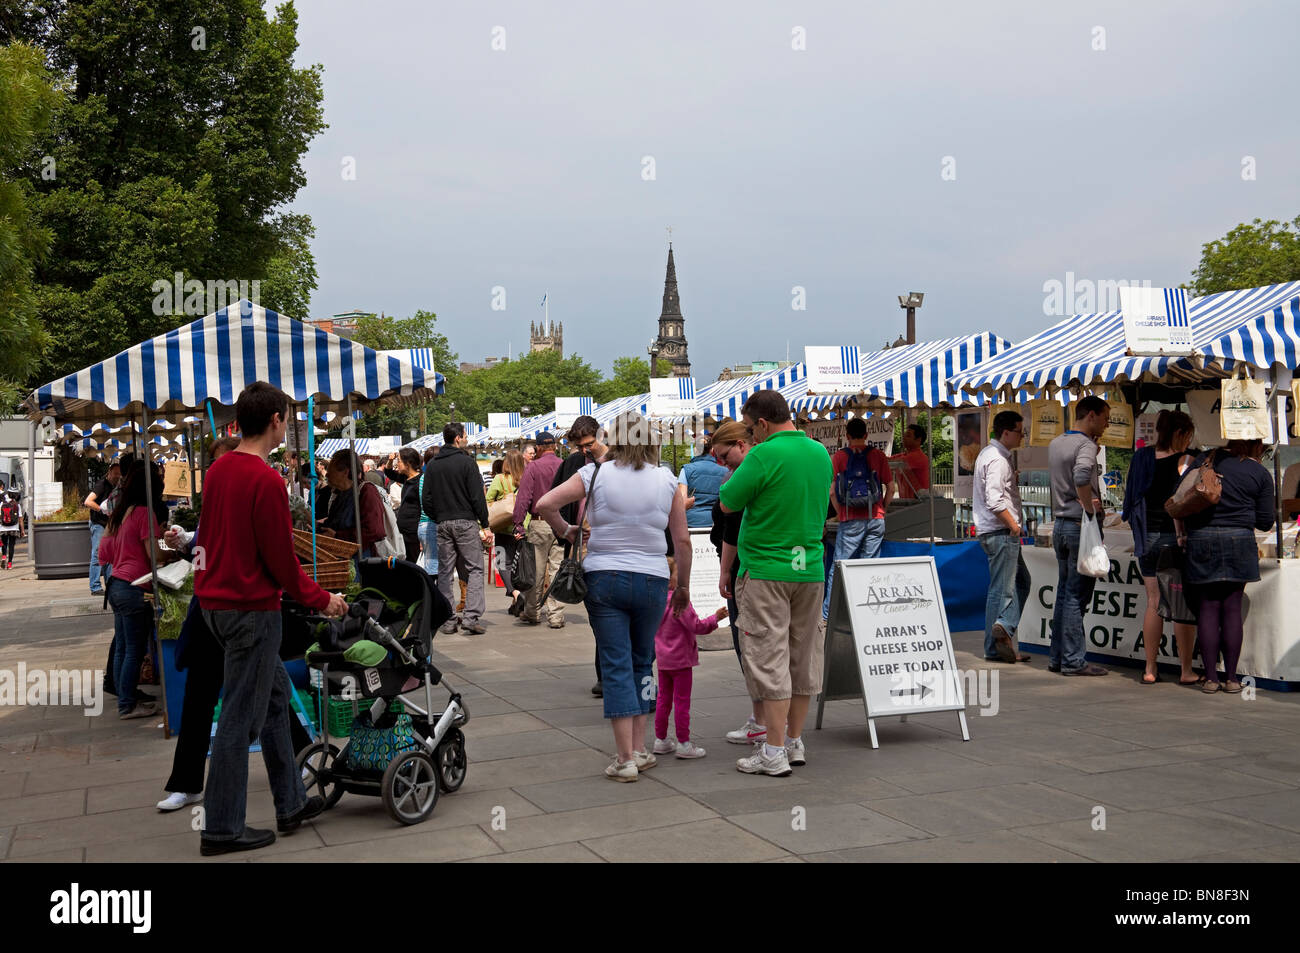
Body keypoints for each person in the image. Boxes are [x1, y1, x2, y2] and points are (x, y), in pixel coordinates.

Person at [194, 381, 347, 856]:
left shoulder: (219, 470)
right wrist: (322, 598)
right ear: (277, 420)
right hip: (251, 611)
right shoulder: (265, 480)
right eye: (288, 418)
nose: (289, 426)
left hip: (217, 605)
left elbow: (208, 538)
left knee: (276, 698)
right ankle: (221, 828)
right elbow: (281, 559)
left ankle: (290, 802)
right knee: (240, 721)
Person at [536, 411, 690, 781]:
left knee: (616, 664)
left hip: (604, 576)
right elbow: (682, 540)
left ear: (613, 437)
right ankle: (640, 748)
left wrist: (569, 530)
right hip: (652, 579)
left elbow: (544, 505)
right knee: (642, 661)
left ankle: (624, 759)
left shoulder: (594, 474)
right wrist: (682, 585)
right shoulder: (667, 480)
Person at [719, 390, 833, 777]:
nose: (750, 437)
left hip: (767, 569)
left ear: (762, 424)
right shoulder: (820, 453)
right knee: (802, 659)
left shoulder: (764, 454)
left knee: (769, 659)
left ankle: (772, 750)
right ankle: (794, 741)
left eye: (751, 429)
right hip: (810, 568)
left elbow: (728, 502)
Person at [1184, 439, 1274, 694]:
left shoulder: (1206, 460)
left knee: (1208, 607)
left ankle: (1211, 678)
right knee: (1232, 608)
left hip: (1202, 538)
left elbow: (1181, 495)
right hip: (1240, 539)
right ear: (1257, 443)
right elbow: (1266, 521)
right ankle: (1232, 678)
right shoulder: (1259, 473)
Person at [1122, 410, 1201, 686]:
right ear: (1179, 433)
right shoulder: (1185, 460)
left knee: (1153, 602)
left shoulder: (1141, 457)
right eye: (1188, 435)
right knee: (1181, 605)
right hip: (1172, 538)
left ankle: (1150, 668)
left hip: (1145, 539)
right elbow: (1182, 501)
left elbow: (1131, 498)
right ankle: (1186, 669)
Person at [97, 461, 176, 719]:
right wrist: (169, 544)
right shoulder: (144, 513)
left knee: (122, 647)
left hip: (116, 585)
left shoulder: (121, 513)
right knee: (134, 649)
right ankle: (127, 704)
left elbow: (104, 553)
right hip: (133, 588)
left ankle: (125, 697)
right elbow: (154, 556)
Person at [708, 419, 768, 745]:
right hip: (777, 567)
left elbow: (732, 529)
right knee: (763, 647)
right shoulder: (763, 470)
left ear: (740, 445)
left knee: (750, 647)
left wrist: (725, 571)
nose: (721, 462)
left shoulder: (745, 476)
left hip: (747, 568)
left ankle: (762, 722)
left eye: (723, 455)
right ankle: (768, 721)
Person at [1047, 395, 1111, 676]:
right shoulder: (1085, 444)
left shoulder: (1057, 442)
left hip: (1060, 524)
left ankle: (1058, 657)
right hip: (1078, 524)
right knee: (1075, 596)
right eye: (1106, 418)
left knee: (1063, 593)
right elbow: (1082, 476)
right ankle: (1073, 660)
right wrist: (1088, 506)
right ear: (1092, 415)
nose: (1107, 425)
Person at [551, 416, 608, 692]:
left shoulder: (615, 460)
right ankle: (605, 673)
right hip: (583, 545)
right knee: (598, 612)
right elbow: (554, 499)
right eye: (580, 445)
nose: (586, 450)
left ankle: (610, 673)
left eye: (589, 443)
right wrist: (566, 529)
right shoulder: (573, 464)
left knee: (608, 612)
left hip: (612, 543)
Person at [652, 556, 729, 759]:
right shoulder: (681, 602)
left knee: (663, 700)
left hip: (663, 660)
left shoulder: (656, 601)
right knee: (682, 702)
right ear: (671, 580)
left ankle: (660, 739)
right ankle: (684, 743)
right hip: (682, 660)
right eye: (680, 575)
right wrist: (716, 618)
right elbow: (697, 627)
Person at [973, 411, 1032, 664]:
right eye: (1020, 431)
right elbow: (994, 499)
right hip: (1000, 532)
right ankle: (1001, 632)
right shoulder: (996, 458)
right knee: (1002, 590)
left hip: (995, 531)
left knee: (1019, 582)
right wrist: (1014, 526)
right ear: (1006, 432)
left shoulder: (991, 455)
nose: (1023, 436)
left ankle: (1000, 634)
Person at [822, 416, 894, 622]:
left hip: (850, 519)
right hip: (875, 518)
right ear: (866, 435)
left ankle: (828, 615)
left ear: (847, 436)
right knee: (870, 566)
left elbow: (832, 492)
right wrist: (883, 509)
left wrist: (840, 512)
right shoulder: (878, 455)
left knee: (839, 565)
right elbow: (890, 487)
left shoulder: (839, 457)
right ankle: (867, 613)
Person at [422, 423, 491, 635]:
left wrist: (439, 517)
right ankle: (470, 617)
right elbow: (477, 497)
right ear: (459, 438)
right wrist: (485, 524)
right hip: (465, 521)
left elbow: (426, 499)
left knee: (445, 572)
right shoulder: (466, 463)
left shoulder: (433, 465)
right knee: (475, 568)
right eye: (465, 435)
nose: (467, 438)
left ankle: (449, 619)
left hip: (443, 523)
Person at [513, 431, 565, 628]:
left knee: (536, 571)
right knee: (557, 570)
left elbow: (524, 497)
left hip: (540, 522)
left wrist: (518, 522)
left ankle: (533, 612)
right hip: (561, 522)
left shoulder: (534, 467)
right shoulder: (563, 465)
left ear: (539, 448)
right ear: (555, 445)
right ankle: (556, 616)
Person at [318, 450, 386, 559]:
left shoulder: (366, 491)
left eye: (331, 471)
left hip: (360, 561)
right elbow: (335, 523)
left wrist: (337, 536)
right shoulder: (339, 493)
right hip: (342, 558)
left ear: (345, 472)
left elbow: (374, 531)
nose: (327, 475)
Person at [488, 449, 528, 614]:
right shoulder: (526, 478)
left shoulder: (500, 479)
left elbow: (488, 499)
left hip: (503, 528)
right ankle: (516, 603)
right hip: (522, 528)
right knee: (520, 566)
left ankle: (516, 593)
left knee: (502, 562)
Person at [84, 463, 122, 593]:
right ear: (109, 473)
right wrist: (102, 510)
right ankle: (95, 586)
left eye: (119, 474)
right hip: (99, 523)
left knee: (109, 555)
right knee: (98, 553)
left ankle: (109, 584)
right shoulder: (102, 484)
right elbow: (88, 501)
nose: (117, 476)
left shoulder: (116, 486)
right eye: (115, 473)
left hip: (109, 525)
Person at [677, 439, 729, 529]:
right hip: (716, 521)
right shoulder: (725, 471)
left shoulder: (686, 469)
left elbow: (682, 500)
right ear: (712, 450)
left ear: (695, 450)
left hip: (691, 522)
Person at [385, 447, 424, 563]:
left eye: (400, 461)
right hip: (404, 532)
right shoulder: (406, 478)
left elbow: (425, 508)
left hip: (414, 533)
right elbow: (389, 473)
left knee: (415, 563)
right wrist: (390, 460)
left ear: (408, 463)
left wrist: (422, 536)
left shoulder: (421, 480)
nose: (397, 464)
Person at [890, 424, 931, 499]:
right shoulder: (905, 455)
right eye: (904, 435)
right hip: (910, 501)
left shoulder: (917, 456)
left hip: (919, 503)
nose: (904, 438)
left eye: (908, 436)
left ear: (918, 440)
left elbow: (889, 462)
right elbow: (888, 460)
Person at [417, 447, 438, 576]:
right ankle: (432, 595)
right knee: (433, 568)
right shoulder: (432, 477)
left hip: (424, 525)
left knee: (430, 565)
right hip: (431, 524)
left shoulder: (423, 477)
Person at [0, 489, 25, 570]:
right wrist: (22, 531)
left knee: (4, 543)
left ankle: (4, 556)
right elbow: (20, 519)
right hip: (14, 528)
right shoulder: (17, 505)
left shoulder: (2, 503)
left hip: (3, 527)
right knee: (11, 545)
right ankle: (10, 563)